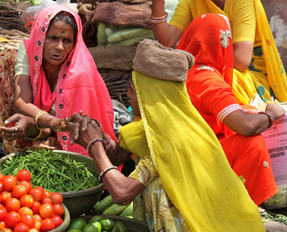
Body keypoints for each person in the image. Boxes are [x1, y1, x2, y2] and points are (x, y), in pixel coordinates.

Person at [66, 39, 265, 232]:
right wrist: (97, 133)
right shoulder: (165, 125)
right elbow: (118, 155)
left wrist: (94, 145)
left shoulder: (169, 141)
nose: (128, 94)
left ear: (150, 98)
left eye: (134, 91)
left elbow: (122, 193)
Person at [0, 5, 116, 155]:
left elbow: (65, 128)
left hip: (67, 134)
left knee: (29, 147)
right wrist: (44, 123)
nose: (60, 47)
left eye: (67, 40)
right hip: (43, 121)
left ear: (75, 43)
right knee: (5, 60)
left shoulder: (78, 72)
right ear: (40, 36)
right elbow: (22, 102)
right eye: (52, 38)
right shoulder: (28, 52)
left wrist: (41, 126)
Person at [144, 0, 287, 105]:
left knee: (211, 84)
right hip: (205, 67)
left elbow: (241, 61)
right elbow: (166, 41)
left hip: (245, 75)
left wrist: (200, 64)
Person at [177, 13, 285, 208]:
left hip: (182, 153)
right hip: (197, 162)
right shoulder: (207, 80)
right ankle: (239, 208)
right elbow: (246, 127)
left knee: (247, 113)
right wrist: (271, 115)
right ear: (223, 45)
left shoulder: (184, 72)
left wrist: (246, 111)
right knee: (252, 143)